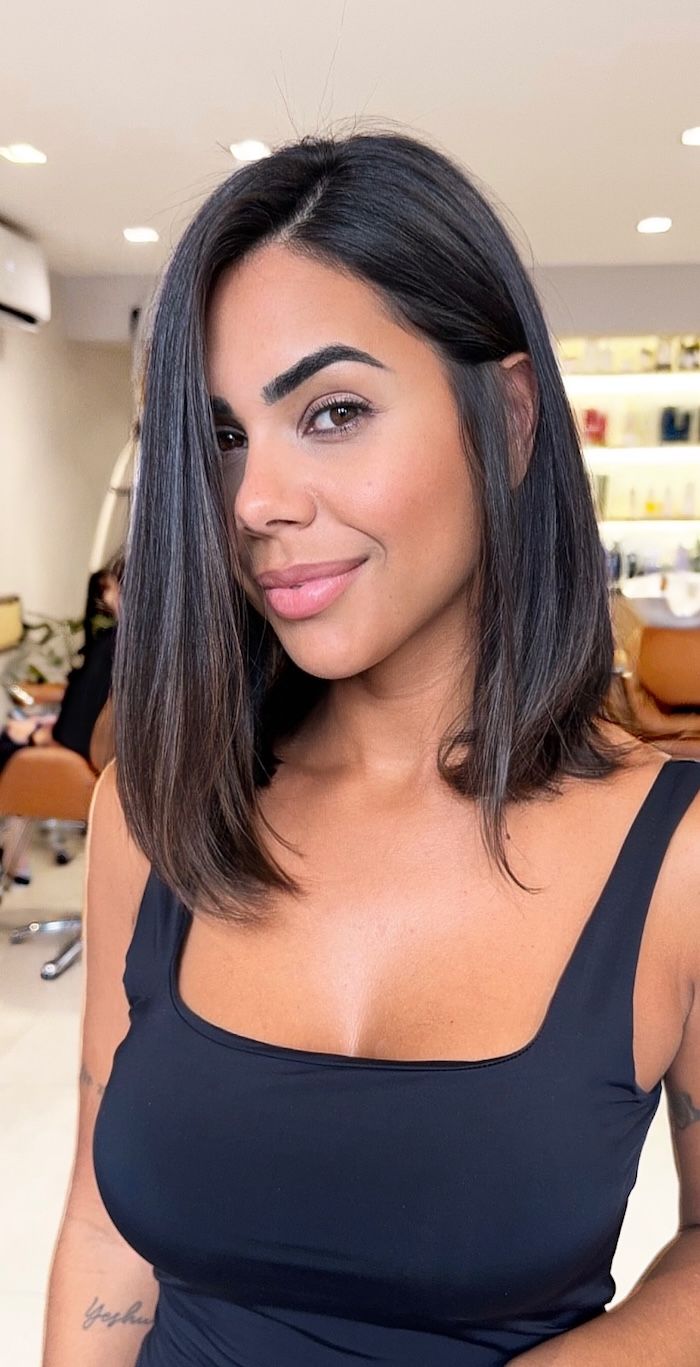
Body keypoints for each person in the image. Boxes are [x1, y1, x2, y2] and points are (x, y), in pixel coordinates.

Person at [43, 133, 700, 1367]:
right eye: (224, 435)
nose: (255, 501)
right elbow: (101, 1229)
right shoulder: (160, 811)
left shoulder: (676, 857)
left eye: (333, 411)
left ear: (509, 419)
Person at [0, 558, 121, 882]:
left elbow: (78, 728)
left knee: (9, 739)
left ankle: (14, 861)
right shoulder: (138, 646)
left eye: (110, 589)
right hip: (103, 753)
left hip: (79, 753)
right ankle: (14, 857)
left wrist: (39, 735)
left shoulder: (111, 644)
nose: (106, 598)